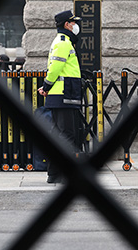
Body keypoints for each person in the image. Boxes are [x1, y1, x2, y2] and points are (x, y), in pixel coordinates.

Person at [38, 10, 83, 183]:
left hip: (62, 94)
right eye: (73, 23)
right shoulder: (63, 42)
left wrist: (47, 86)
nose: (75, 26)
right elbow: (55, 68)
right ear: (66, 25)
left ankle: (55, 173)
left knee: (59, 134)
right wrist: (47, 85)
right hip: (63, 94)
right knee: (67, 135)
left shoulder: (63, 41)